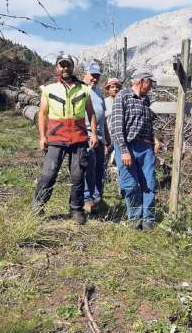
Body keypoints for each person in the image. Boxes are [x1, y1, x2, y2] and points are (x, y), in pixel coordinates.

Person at [32, 54, 98, 225]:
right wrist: (42, 137)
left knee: (77, 176)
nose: (65, 68)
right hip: (56, 137)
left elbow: (91, 113)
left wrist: (95, 134)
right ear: (57, 68)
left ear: (72, 67)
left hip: (79, 138)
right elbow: (42, 114)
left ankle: (76, 209)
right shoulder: (49, 89)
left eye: (68, 65)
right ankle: (37, 207)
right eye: (62, 65)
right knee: (48, 174)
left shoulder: (84, 89)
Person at [110, 71, 160, 230]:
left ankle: (148, 220)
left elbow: (148, 124)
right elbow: (116, 126)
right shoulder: (123, 96)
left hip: (146, 148)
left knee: (149, 183)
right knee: (129, 184)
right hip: (127, 146)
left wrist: (155, 139)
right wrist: (124, 150)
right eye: (150, 82)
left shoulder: (146, 100)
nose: (151, 86)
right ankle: (134, 219)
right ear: (142, 81)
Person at [82, 62, 111, 213]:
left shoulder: (99, 93)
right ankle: (87, 199)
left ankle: (98, 198)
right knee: (89, 168)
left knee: (100, 168)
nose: (95, 78)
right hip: (86, 135)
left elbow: (103, 118)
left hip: (100, 137)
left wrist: (107, 137)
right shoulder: (81, 90)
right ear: (85, 74)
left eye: (97, 76)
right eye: (93, 75)